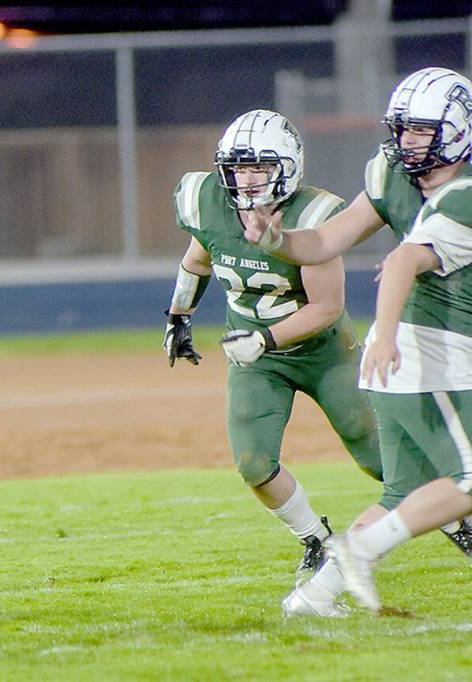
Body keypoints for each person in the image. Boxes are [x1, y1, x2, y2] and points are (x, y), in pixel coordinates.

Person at [268, 67, 472, 614]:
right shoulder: (455, 195)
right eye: (401, 129)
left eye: (419, 130)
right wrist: (280, 239)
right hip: (430, 353)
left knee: (402, 494)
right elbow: (355, 245)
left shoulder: (450, 191)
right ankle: (360, 550)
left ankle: (315, 596)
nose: (405, 141)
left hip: (411, 353)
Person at [164, 109, 383, 591]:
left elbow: (326, 308)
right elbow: (199, 255)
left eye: (259, 167)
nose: (246, 178)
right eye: (238, 167)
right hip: (256, 360)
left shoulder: (312, 214)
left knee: (379, 459)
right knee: (253, 463)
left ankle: (452, 516)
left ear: (288, 166)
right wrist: (179, 315)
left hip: (323, 352)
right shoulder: (209, 203)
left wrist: (263, 338)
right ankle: (316, 538)